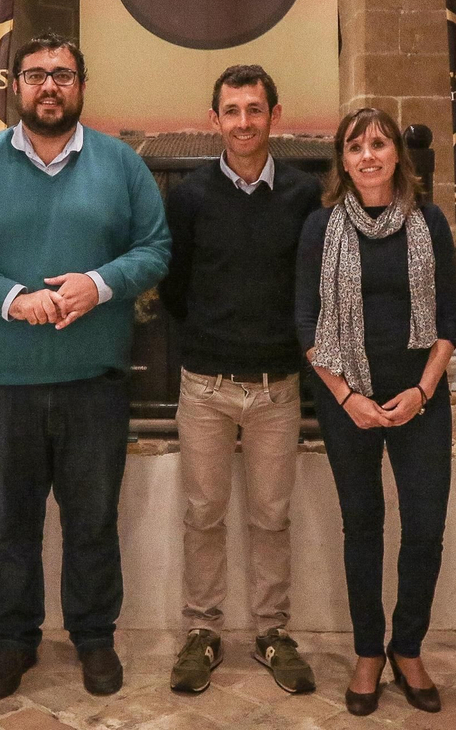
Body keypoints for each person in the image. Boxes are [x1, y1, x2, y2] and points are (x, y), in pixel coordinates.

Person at [0, 34, 171, 701]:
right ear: (15, 85)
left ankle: (94, 636)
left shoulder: (122, 165)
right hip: (6, 378)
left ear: (82, 85)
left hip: (94, 377)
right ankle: (15, 639)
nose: (49, 86)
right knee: (10, 518)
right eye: (36, 75)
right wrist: (14, 299)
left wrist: (99, 283)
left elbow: (154, 248)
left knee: (92, 516)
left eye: (62, 74)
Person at [295, 107, 456, 718]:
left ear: (397, 156)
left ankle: (408, 648)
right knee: (362, 525)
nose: (368, 156)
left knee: (424, 527)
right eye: (355, 146)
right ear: (343, 160)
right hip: (349, 400)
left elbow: (450, 317)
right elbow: (306, 324)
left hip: (422, 396)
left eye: (379, 144)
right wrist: (347, 397)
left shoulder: (431, 222)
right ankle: (369, 650)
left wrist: (422, 390)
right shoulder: (320, 228)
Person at [160, 65, 320, 696]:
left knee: (272, 516)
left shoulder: (305, 195)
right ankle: (202, 632)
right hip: (205, 384)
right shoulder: (192, 195)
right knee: (201, 514)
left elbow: (311, 285)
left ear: (274, 116)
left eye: (256, 110)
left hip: (277, 386)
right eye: (233, 111)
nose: (244, 122)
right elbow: (174, 286)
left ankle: (273, 632)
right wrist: (210, 335)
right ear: (215, 119)